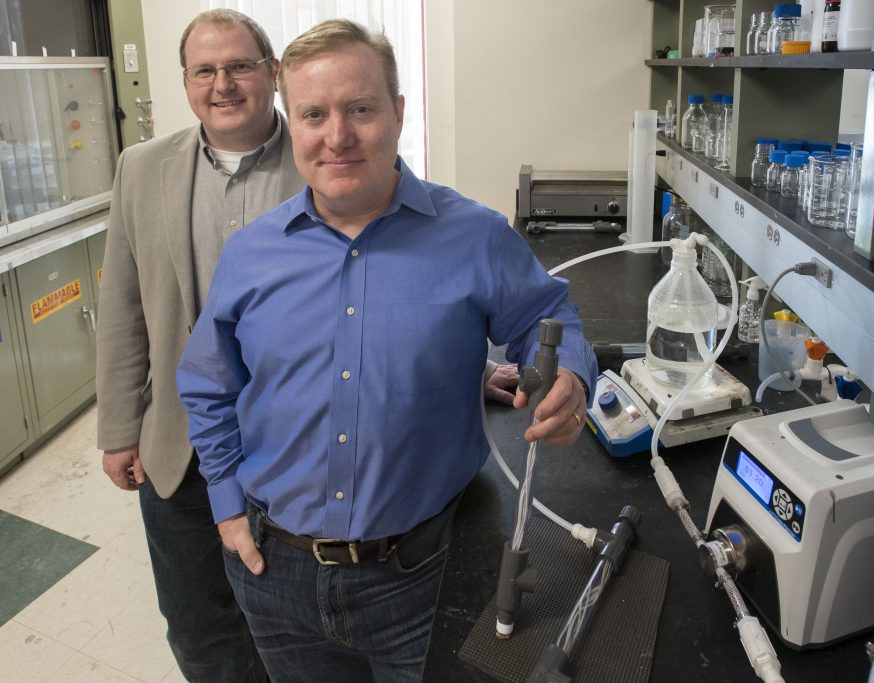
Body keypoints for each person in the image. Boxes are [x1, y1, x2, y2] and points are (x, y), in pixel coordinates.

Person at [176, 18, 597, 683]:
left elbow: (549, 312)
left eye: (361, 109)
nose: (337, 135)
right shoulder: (251, 253)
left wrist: (570, 371)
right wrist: (227, 506)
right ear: (293, 121)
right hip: (274, 572)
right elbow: (207, 386)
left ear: (398, 114)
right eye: (314, 113)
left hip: (422, 572)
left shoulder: (474, 236)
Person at [94, 9, 306, 681]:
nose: (223, 84)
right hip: (178, 450)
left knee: (298, 626)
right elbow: (123, 307)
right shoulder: (141, 168)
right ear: (185, 82)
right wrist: (120, 426)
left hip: (297, 447)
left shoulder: (324, 158)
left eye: (240, 65)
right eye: (204, 70)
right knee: (199, 626)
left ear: (271, 73)